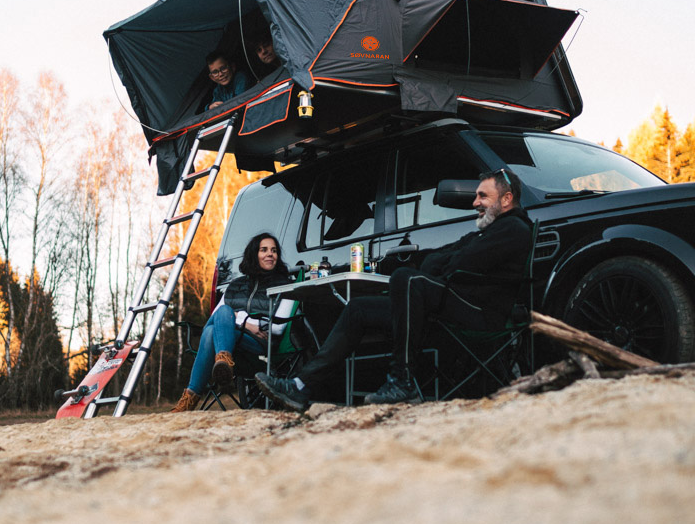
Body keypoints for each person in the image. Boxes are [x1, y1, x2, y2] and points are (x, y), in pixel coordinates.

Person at [255, 169, 533, 411]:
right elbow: (444, 255)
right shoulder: (487, 231)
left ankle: (403, 381)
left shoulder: (514, 229)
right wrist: (440, 263)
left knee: (407, 278)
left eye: (483, 196)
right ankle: (301, 385)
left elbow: (462, 260)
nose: (475, 202)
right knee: (359, 308)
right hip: (450, 307)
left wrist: (438, 265)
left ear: (506, 199)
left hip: (480, 316)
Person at [171, 233, 294, 412]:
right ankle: (223, 360)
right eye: (264, 250)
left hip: (261, 345)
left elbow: (278, 327)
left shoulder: (283, 285)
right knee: (217, 322)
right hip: (235, 339)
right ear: (254, 254)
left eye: (274, 251)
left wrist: (239, 318)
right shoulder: (235, 285)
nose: (270, 254)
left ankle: (190, 398)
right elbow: (218, 316)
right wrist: (247, 323)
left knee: (213, 329)